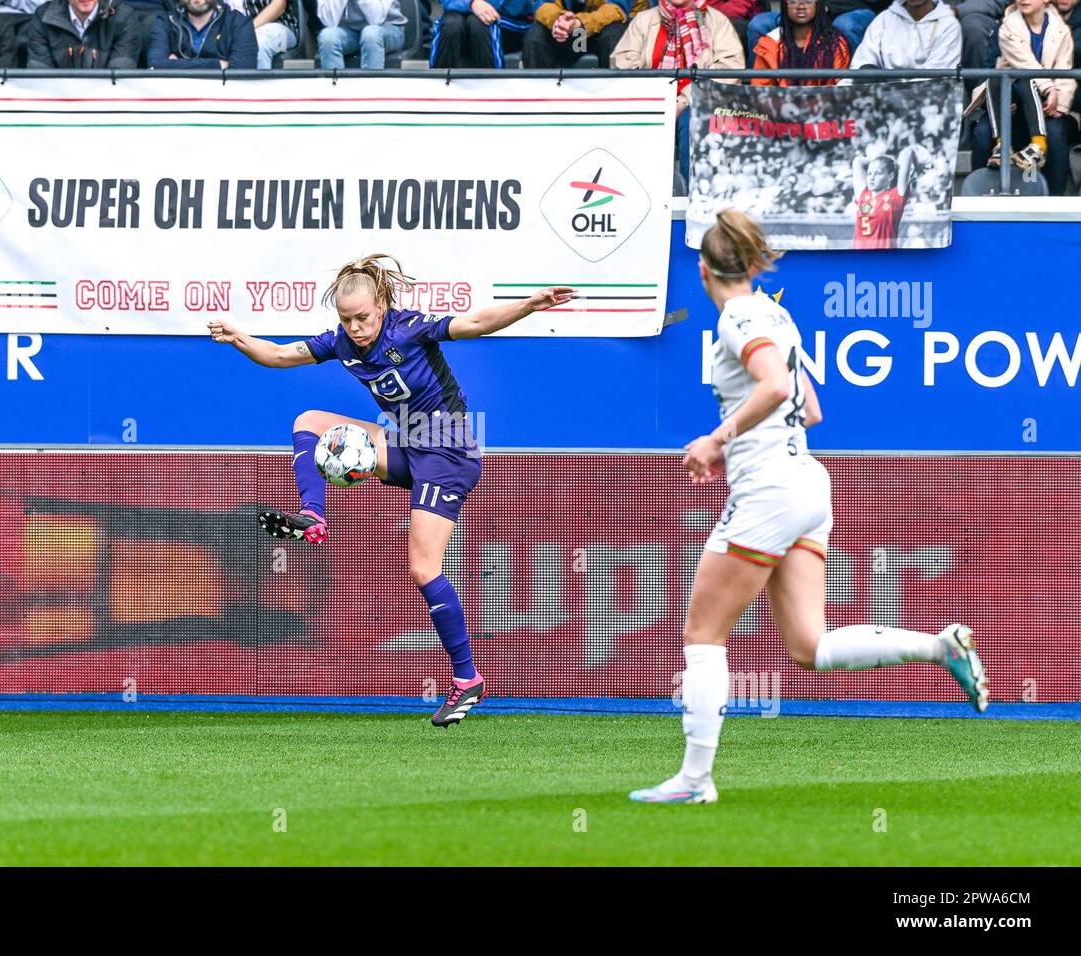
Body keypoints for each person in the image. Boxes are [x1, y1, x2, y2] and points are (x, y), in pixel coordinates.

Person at [629, 210, 988, 805]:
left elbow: (772, 386)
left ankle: (694, 780)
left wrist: (718, 438)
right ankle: (938, 647)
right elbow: (809, 407)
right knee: (807, 645)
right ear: (748, 264)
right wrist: (742, 435)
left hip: (770, 489)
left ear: (703, 269)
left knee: (702, 635)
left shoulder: (740, 315)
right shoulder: (777, 314)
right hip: (805, 482)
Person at [207, 255, 576, 727]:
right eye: (347, 319)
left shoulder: (407, 329)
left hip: (448, 452)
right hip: (404, 441)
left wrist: (530, 304)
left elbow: (476, 323)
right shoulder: (341, 343)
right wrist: (239, 338)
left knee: (423, 568)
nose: (356, 328)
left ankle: (468, 681)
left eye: (363, 317)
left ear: (381, 305)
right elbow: (280, 356)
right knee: (309, 423)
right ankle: (313, 518)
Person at [611, 0, 744, 185]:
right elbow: (622, 64)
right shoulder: (644, 19)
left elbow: (729, 70)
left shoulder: (717, 21)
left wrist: (684, 100)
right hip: (652, 100)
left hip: (699, 102)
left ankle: (690, 195)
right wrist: (659, 98)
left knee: (692, 118)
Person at [968, 0, 1076, 193]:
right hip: (1012, 103)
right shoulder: (1008, 26)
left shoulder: (1061, 30)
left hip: (1045, 105)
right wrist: (1048, 89)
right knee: (982, 133)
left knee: (1057, 133)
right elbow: (1024, 65)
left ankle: (1056, 201)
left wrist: (1059, 101)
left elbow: (1064, 71)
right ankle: (980, 199)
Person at [751, 0, 851, 84]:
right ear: (785, 5)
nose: (801, 6)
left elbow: (839, 89)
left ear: (817, 5)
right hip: (780, 105)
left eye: (808, 1)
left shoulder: (834, 44)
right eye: (793, 1)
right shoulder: (769, 44)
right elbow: (761, 91)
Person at [851, 144, 930, 249]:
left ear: (890, 176)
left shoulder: (894, 197)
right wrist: (879, 160)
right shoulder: (863, 194)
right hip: (860, 259)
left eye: (878, 173)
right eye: (869, 173)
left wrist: (895, 164)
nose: (871, 178)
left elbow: (908, 152)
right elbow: (857, 161)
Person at [848, 0, 961, 71]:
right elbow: (861, 61)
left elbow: (939, 78)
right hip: (883, 99)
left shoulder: (948, 25)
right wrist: (867, 69)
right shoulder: (884, 19)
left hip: (930, 104)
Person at [524, 0, 638, 69]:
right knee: (535, 36)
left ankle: (615, 99)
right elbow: (542, 4)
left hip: (601, 29)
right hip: (564, 31)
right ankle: (540, 100)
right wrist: (558, 21)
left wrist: (581, 23)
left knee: (615, 33)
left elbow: (616, 8)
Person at [26, 0, 141, 67]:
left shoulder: (123, 17)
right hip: (59, 103)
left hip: (106, 103)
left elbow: (121, 78)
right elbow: (40, 78)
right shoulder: (43, 17)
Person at [148, 0, 257, 68]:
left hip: (223, 100)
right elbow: (155, 64)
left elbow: (243, 69)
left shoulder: (239, 23)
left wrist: (175, 65)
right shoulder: (166, 21)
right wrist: (219, 64)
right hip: (176, 99)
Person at [430, 0, 533, 68]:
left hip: (511, 19)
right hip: (464, 14)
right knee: (450, 24)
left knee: (480, 24)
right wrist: (471, 3)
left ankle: (495, 88)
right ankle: (437, 90)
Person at [316, 0, 405, 69]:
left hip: (388, 28)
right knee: (327, 37)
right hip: (349, 32)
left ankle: (370, 91)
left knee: (370, 34)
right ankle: (336, 90)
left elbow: (376, 19)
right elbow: (329, 22)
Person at [224, 0, 298, 68]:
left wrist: (247, 30)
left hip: (278, 28)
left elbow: (279, 5)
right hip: (232, 31)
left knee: (257, 43)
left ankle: (259, 81)